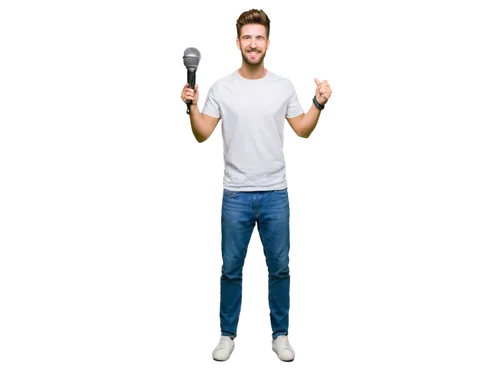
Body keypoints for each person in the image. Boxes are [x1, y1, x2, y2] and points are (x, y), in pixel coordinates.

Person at [178, 7, 334, 364]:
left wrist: (319, 103)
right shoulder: (221, 87)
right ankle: (226, 336)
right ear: (237, 43)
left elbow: (303, 130)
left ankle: (281, 335)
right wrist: (191, 108)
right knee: (231, 268)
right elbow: (203, 134)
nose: (252, 43)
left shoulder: (284, 86)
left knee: (280, 267)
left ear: (269, 43)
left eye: (259, 37)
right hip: (234, 193)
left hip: (277, 192)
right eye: (246, 37)